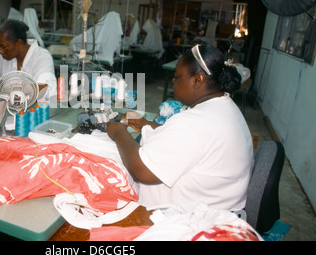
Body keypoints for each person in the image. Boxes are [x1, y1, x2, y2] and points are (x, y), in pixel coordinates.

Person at [107, 45, 253, 211]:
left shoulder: (195, 123)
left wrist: (119, 132)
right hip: (220, 204)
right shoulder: (222, 106)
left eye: (177, 77)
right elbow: (185, 142)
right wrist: (146, 124)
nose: (173, 81)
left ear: (197, 80)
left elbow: (141, 171)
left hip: (193, 220)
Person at [0, 19, 56, 102]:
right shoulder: (3, 58)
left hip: (40, 110)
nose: (0, 51)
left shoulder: (42, 57)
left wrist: (5, 93)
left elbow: (41, 89)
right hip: (13, 110)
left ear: (19, 43)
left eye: (4, 47)